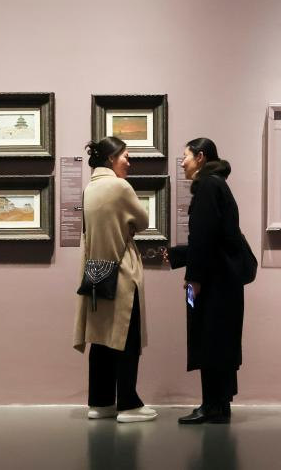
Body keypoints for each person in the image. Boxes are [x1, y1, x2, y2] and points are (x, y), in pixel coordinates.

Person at [72, 136, 155, 423]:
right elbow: (143, 221)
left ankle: (100, 402)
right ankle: (128, 404)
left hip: (96, 272)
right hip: (122, 272)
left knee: (101, 339)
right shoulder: (120, 187)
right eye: (126, 156)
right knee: (126, 338)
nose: (129, 162)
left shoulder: (89, 189)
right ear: (111, 158)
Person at [167, 137, 245, 425]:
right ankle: (220, 404)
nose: (182, 163)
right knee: (221, 340)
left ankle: (212, 405)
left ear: (200, 157)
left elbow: (203, 237)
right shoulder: (217, 184)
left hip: (210, 281)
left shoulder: (208, 186)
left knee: (207, 337)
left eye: (185, 156)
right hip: (223, 279)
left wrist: (193, 279)